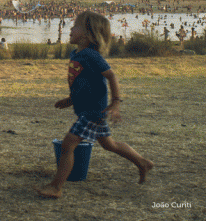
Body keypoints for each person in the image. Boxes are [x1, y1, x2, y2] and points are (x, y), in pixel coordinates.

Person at [36, 11, 154, 199]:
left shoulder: (91, 55)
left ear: (87, 34)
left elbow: (111, 76)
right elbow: (82, 82)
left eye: (75, 26)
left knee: (68, 145)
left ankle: (56, 187)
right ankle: (142, 162)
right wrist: (71, 99)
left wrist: (115, 102)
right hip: (89, 109)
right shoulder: (77, 54)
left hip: (93, 111)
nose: (71, 28)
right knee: (109, 144)